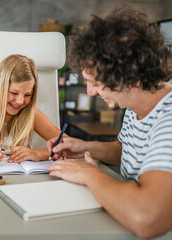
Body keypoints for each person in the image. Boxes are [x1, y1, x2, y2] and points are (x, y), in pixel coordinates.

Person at [46, 7, 172, 239]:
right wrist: (83, 147)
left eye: (95, 82)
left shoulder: (168, 118)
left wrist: (89, 175)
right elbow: (127, 150)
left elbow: (148, 219)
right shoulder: (137, 106)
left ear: (130, 78)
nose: (90, 92)